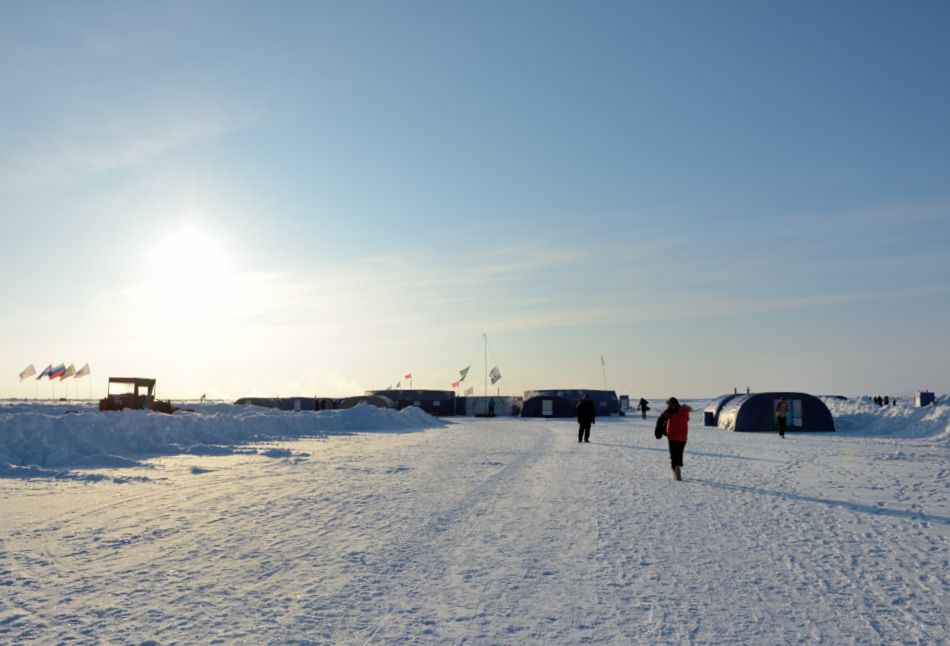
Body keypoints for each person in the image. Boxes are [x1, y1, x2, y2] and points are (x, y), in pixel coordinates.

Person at [659, 397, 692, 480]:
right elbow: (686, 420)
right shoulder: (685, 412)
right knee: (679, 453)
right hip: (683, 437)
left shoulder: (670, 411)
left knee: (674, 455)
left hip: (672, 437)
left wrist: (660, 429)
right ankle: (678, 468)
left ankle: (676, 472)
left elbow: (662, 418)